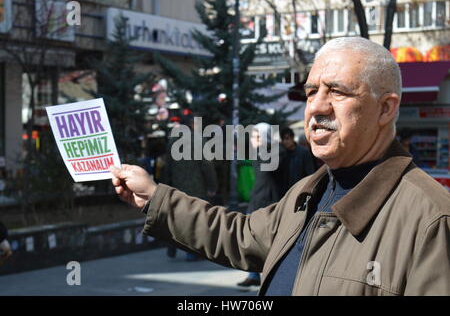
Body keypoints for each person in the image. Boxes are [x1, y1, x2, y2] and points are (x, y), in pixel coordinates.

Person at [110, 37, 450, 295]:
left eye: (338, 92)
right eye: (312, 91)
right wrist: (155, 197)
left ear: (386, 109)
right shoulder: (309, 192)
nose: (317, 107)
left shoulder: (431, 220)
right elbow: (239, 236)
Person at [161, 115, 218, 261]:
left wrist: (165, 186)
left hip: (176, 187)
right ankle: (192, 252)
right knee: (195, 219)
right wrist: (212, 186)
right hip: (197, 187)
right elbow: (207, 166)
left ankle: (172, 247)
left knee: (176, 218)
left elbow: (168, 167)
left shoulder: (173, 140)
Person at [237, 123, 280, 287]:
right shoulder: (258, 154)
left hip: (270, 203)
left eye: (257, 136)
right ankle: (253, 275)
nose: (253, 140)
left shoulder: (274, 153)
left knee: (268, 243)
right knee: (251, 240)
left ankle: (268, 277)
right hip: (256, 202)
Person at [275, 127, 315, 198]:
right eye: (283, 139)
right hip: (284, 193)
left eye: (287, 138)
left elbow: (310, 173)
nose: (285, 142)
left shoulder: (304, 153)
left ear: (292, 138)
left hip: (299, 191)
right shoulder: (282, 153)